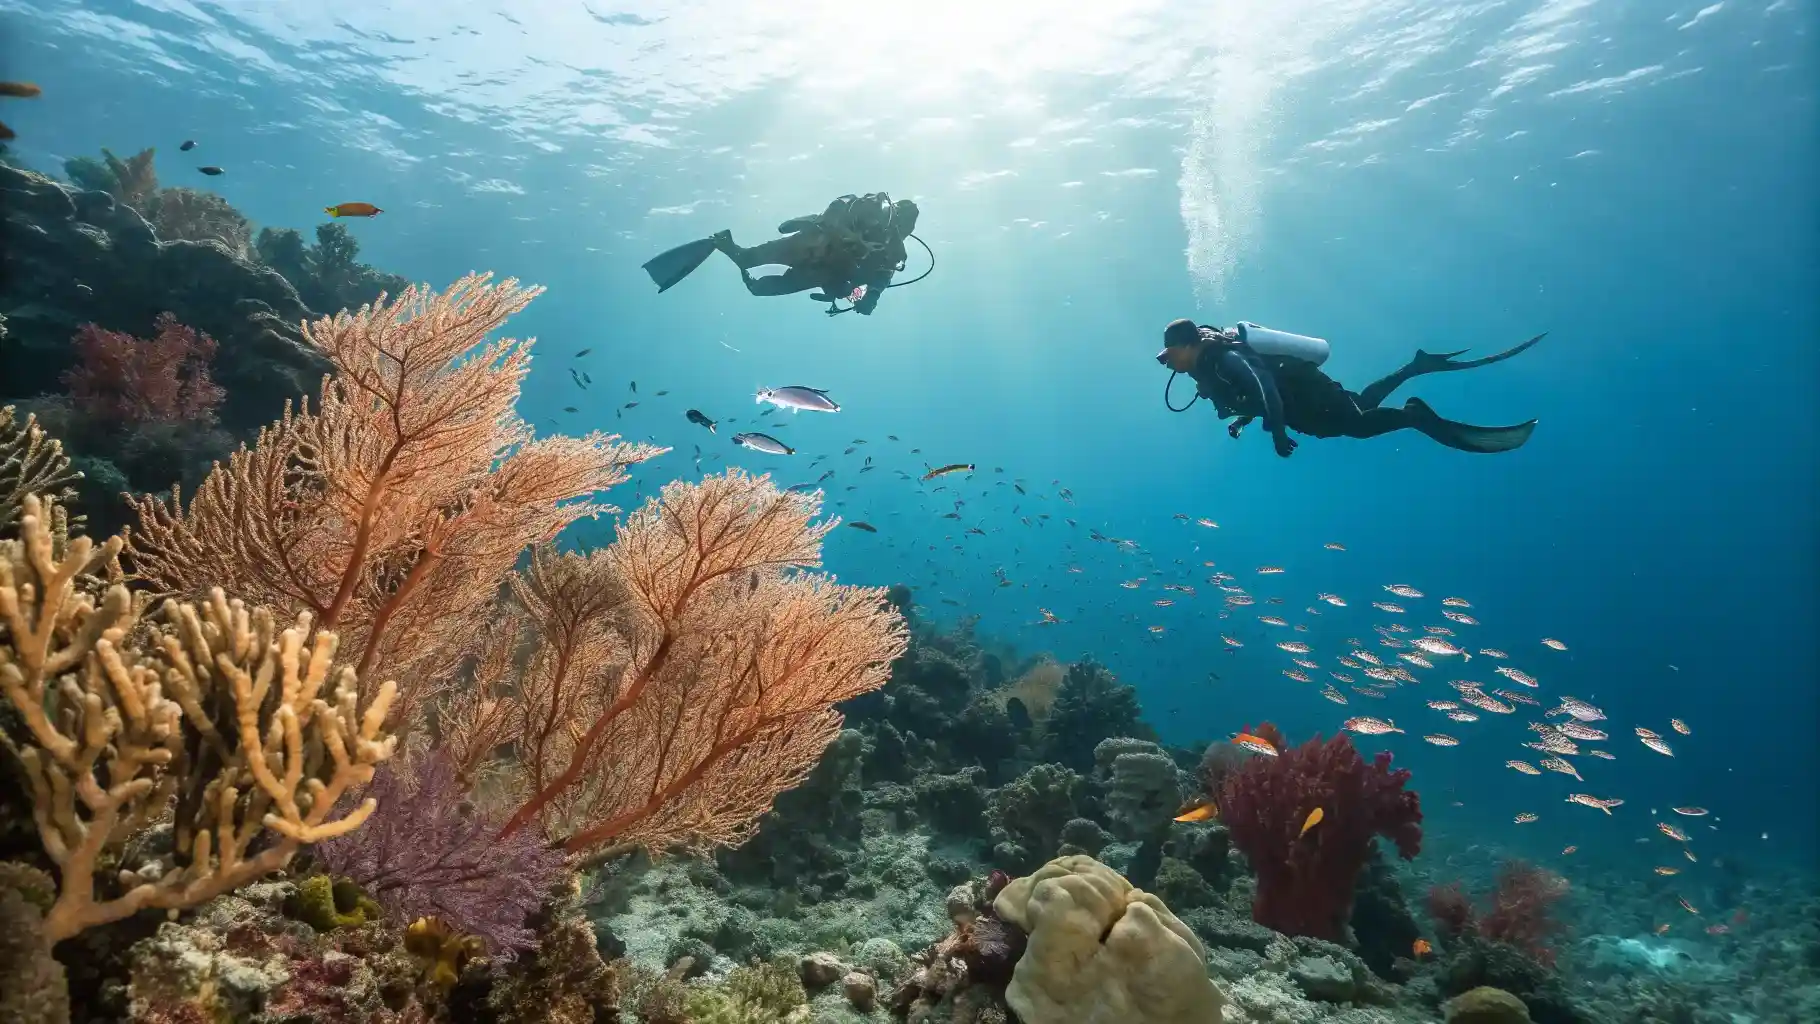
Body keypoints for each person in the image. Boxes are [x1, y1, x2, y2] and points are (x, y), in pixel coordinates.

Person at [1156, 318, 1544, 457]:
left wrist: (1277, 433)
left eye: (1169, 354)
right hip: (1303, 402)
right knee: (1357, 405)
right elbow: (1249, 395)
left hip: (1308, 395)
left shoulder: (1225, 358)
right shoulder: (1207, 369)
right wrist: (1243, 420)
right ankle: (1414, 367)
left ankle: (1413, 416)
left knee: (1356, 425)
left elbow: (1263, 385)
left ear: (1188, 345)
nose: (1168, 362)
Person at [641, 193, 920, 315]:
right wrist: (851, 238)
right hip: (811, 245)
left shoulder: (893, 248)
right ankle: (722, 244)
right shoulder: (871, 211)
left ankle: (725, 246)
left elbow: (883, 276)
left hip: (821, 266)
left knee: (756, 284)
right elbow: (835, 211)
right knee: (749, 265)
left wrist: (870, 298)